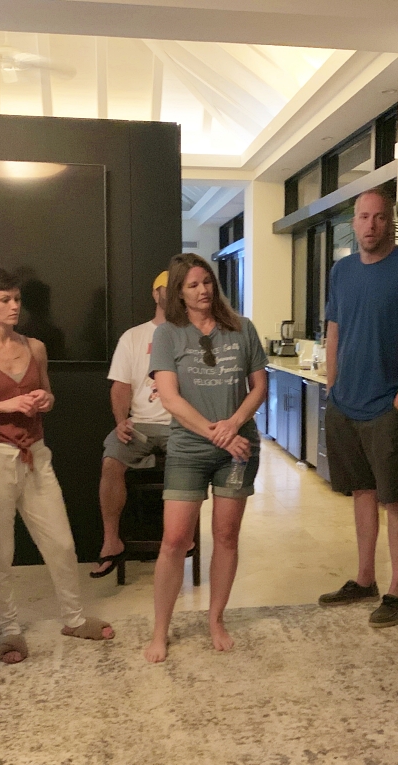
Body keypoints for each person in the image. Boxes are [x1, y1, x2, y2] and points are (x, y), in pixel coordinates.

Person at [0, 264, 114, 665]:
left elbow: (48, 394)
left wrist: (45, 401)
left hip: (36, 454)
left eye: (17, 299)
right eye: (5, 300)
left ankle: (74, 617)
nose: (14, 307)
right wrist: (3, 405)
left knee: (61, 542)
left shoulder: (35, 347)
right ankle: (9, 630)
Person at [144, 252, 268, 663]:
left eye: (207, 282)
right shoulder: (169, 334)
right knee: (175, 540)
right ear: (179, 292)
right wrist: (218, 433)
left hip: (238, 448)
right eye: (193, 285)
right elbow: (170, 398)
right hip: (191, 448)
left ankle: (216, 619)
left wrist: (233, 424)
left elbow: (258, 387)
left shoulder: (241, 329)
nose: (202, 290)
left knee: (226, 537)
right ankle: (161, 629)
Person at [318, 187, 398, 628]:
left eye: (379, 217)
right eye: (363, 217)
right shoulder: (342, 271)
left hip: (387, 406)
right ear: (355, 223)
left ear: (391, 221)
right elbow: (334, 331)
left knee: (393, 496)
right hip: (345, 404)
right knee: (362, 493)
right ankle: (364, 579)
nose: (371, 225)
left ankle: (396, 590)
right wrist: (333, 387)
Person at [91, 270, 172, 578]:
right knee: (111, 461)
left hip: (180, 425)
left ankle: (179, 538)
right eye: (166, 286)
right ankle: (111, 540)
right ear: (155, 293)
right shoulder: (134, 336)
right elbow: (120, 386)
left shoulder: (191, 335)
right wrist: (121, 421)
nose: (172, 292)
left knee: (193, 461)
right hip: (140, 424)